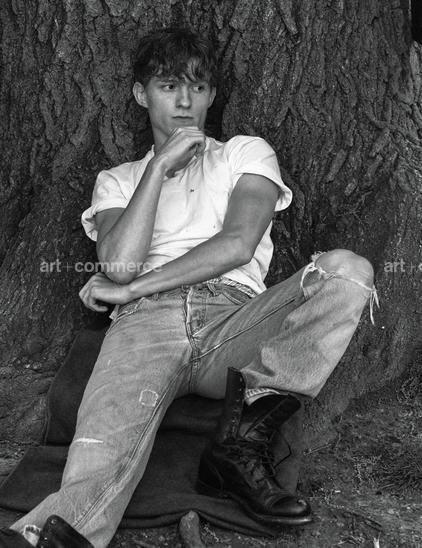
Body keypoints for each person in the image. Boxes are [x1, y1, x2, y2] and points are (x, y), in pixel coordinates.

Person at [0, 27, 376, 548]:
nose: (184, 102)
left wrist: (131, 288)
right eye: (168, 86)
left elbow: (237, 244)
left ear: (212, 95)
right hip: (143, 326)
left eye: (197, 88)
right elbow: (118, 264)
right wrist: (158, 168)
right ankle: (46, 537)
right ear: (141, 94)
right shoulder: (118, 179)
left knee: (346, 271)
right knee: (98, 458)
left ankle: (238, 445)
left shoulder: (244, 153)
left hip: (235, 320)